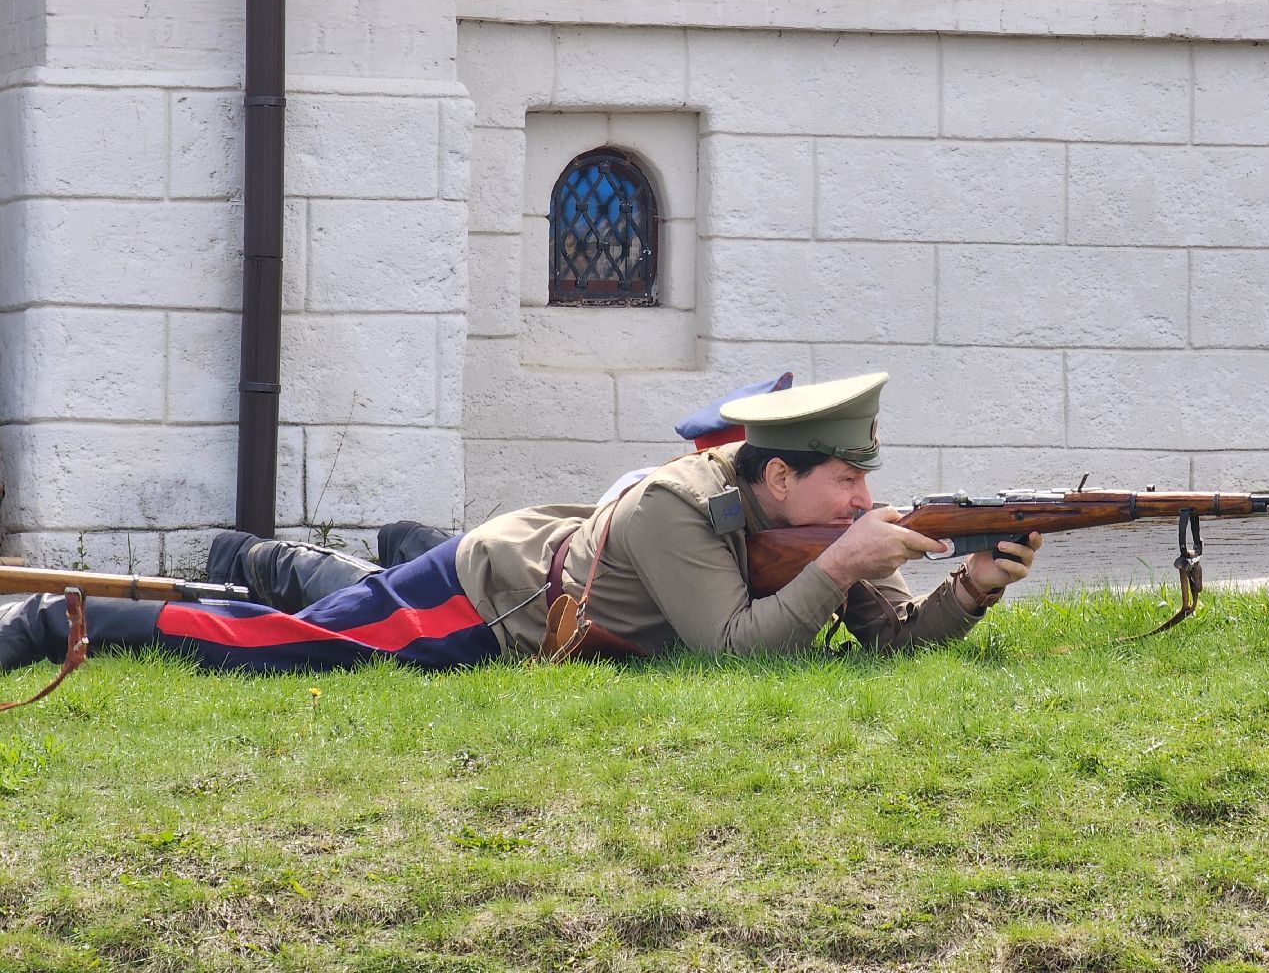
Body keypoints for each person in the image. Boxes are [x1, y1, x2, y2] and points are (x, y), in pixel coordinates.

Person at [0, 373, 1041, 673]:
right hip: (486, 599)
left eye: (865, 485)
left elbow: (888, 641)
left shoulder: (820, 527)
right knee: (293, 650)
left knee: (333, 603)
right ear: (775, 478)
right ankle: (57, 619)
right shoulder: (676, 506)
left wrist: (971, 590)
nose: (861, 505)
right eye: (841, 487)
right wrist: (847, 563)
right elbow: (734, 653)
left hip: (543, 560)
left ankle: (256, 562)